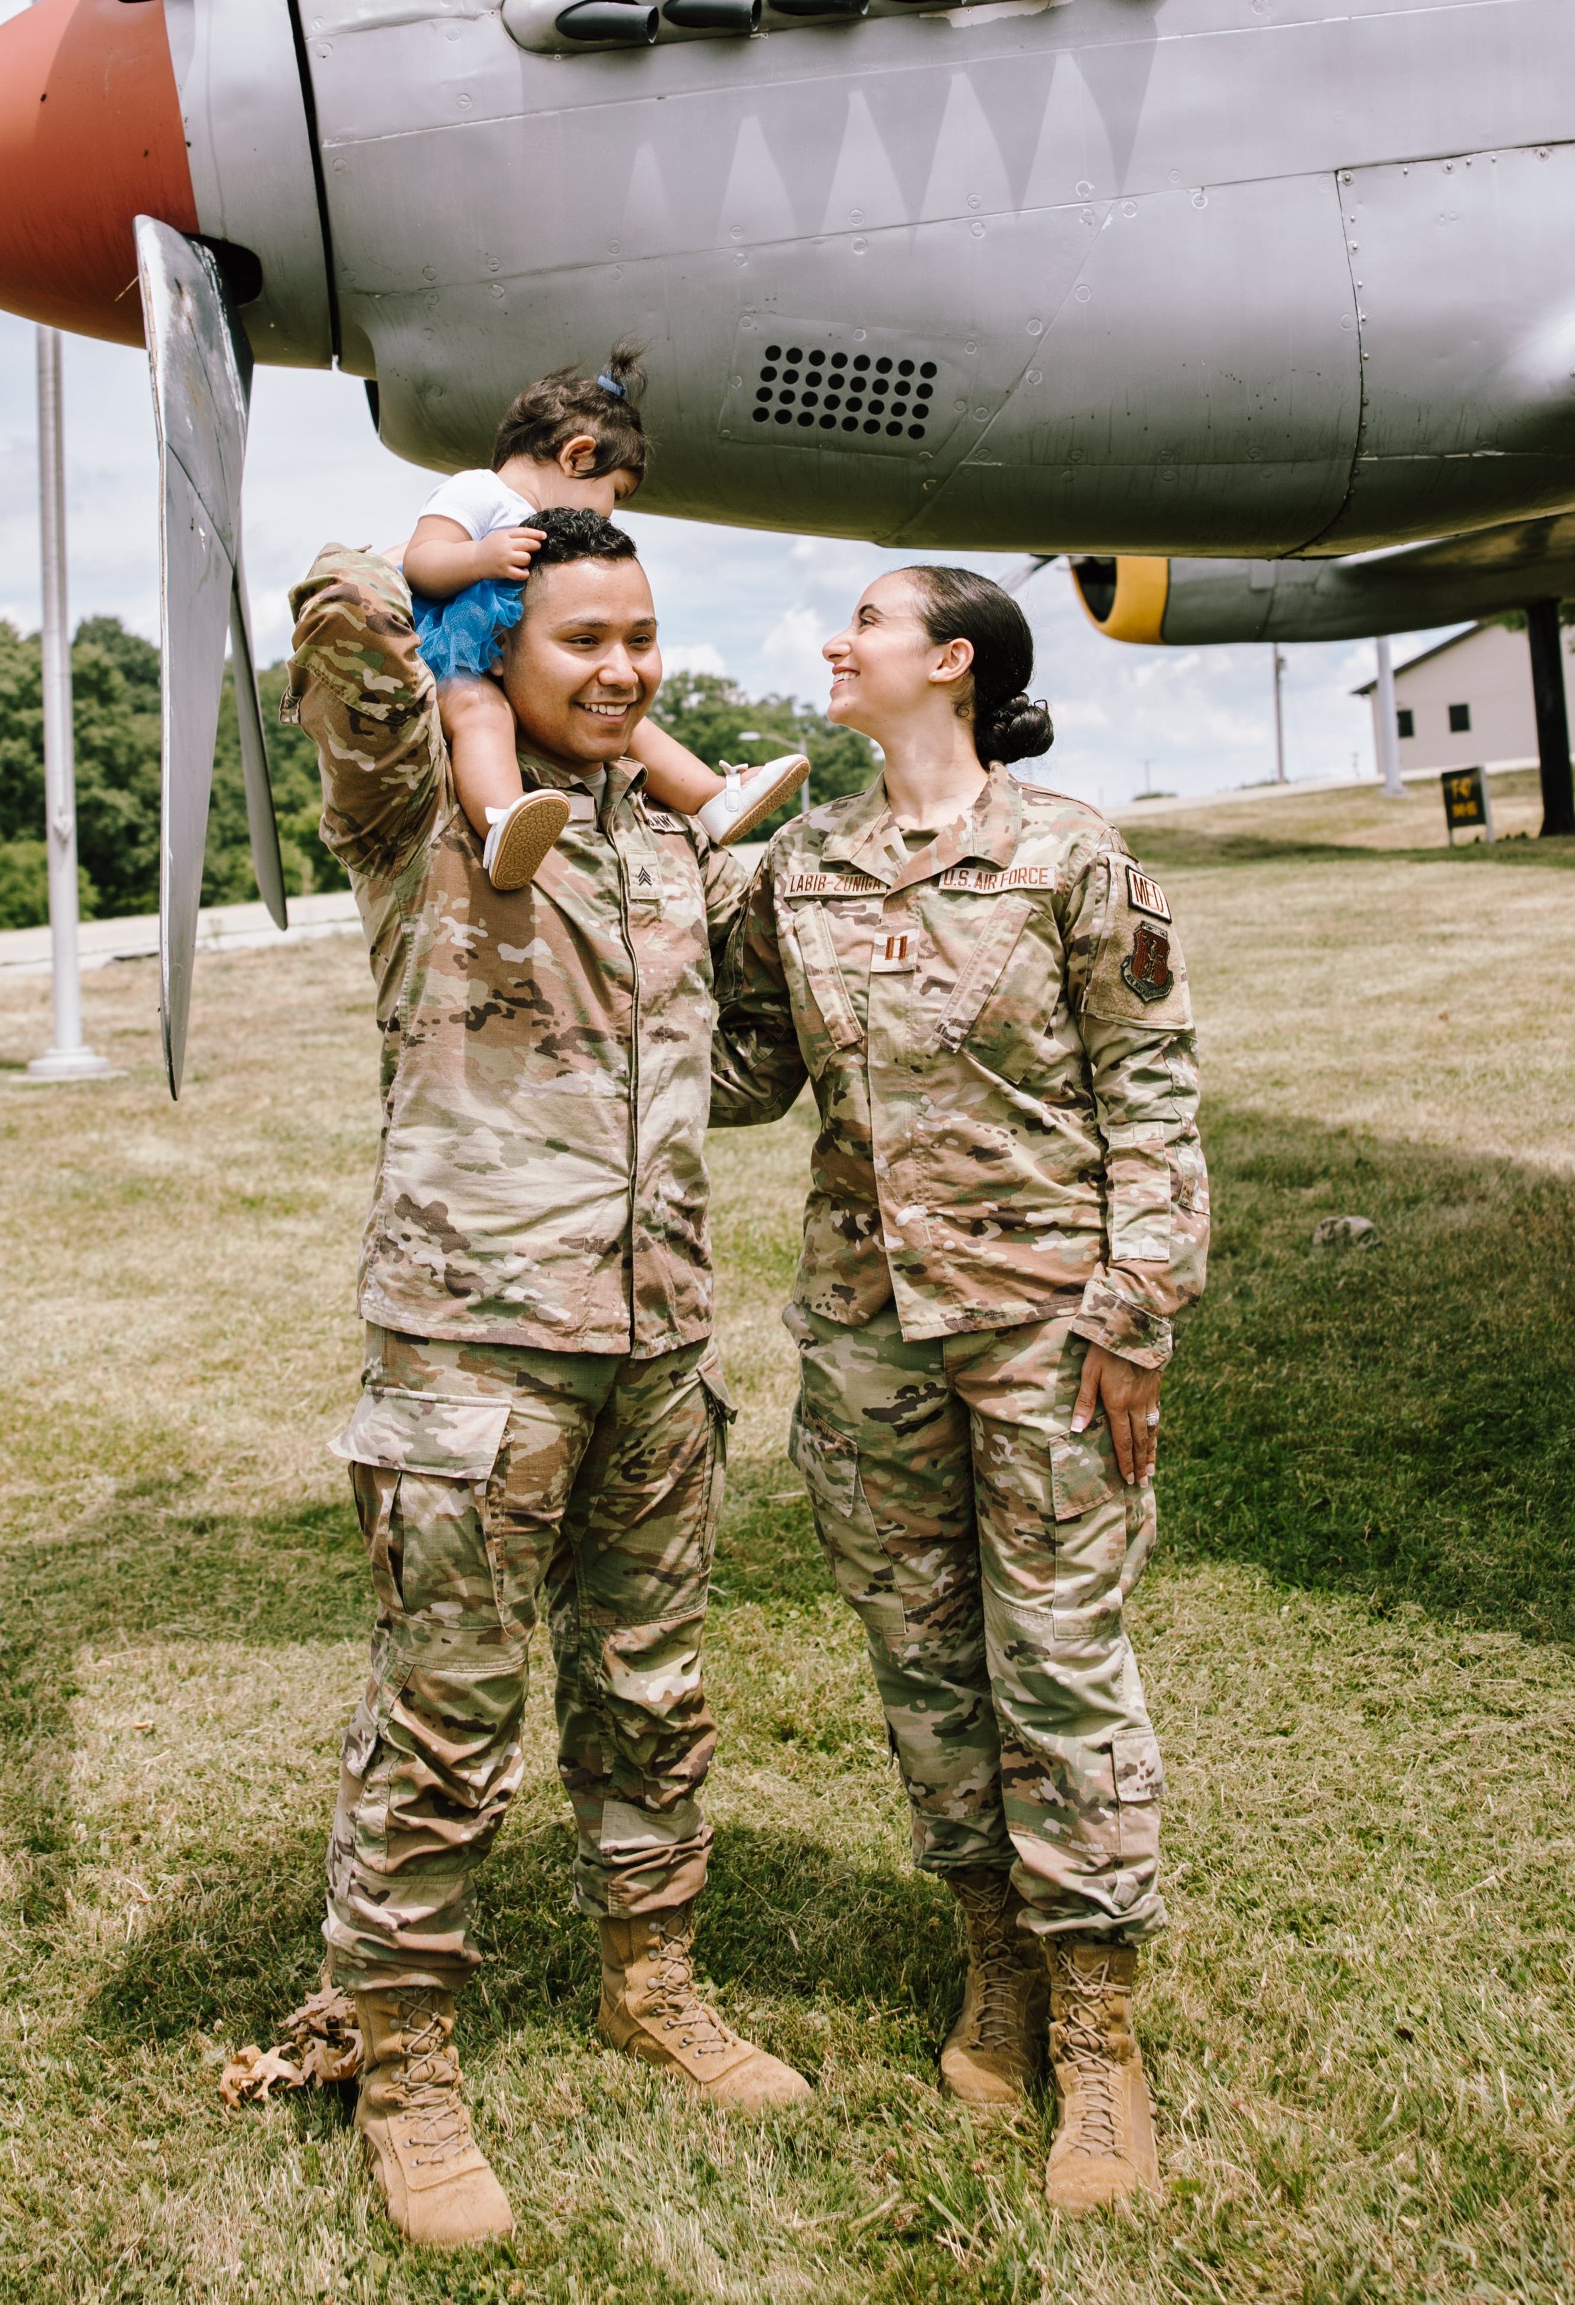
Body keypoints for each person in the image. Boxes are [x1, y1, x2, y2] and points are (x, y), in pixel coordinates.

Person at [274, 508, 809, 2250]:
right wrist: (435, 564)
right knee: (446, 1715)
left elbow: (729, 1075)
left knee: (653, 1690)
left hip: (658, 1342)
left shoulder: (661, 837)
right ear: (503, 641)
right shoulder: (422, 810)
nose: (624, 667)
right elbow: (336, 619)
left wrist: (800, 970)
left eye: (642, 634)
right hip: (475, 1353)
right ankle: (400, 2057)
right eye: (582, 636)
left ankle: (652, 1979)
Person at [709, 565, 1208, 2216]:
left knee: (1059, 1663)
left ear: (952, 663)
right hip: (870, 1335)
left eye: (863, 620)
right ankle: (991, 1956)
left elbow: (1151, 1086)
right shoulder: (803, 863)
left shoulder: (1069, 852)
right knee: (926, 1666)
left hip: (1050, 1330)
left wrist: (1138, 1304)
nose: (833, 643)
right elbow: (745, 1069)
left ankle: (1100, 2025)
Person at [401, 354, 808, 890]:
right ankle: (501, 823)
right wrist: (480, 558)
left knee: (631, 725)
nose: (608, 514)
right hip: (458, 652)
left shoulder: (546, 525)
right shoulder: (478, 492)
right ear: (578, 455)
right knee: (482, 717)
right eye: (613, 494)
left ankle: (712, 799)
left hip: (504, 647)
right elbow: (421, 560)